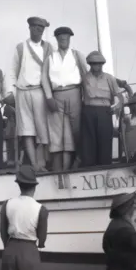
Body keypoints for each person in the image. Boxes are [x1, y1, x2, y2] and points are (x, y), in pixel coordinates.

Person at [5, 16, 54, 172]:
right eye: (35, 27)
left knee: (42, 129)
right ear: (30, 28)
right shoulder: (21, 47)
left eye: (41, 27)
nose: (38, 30)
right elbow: (12, 71)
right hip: (23, 92)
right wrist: (10, 91)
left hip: (40, 91)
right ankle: (33, 165)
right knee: (26, 130)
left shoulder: (48, 48)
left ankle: (42, 163)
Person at [41, 26, 88, 171]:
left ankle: (79, 159)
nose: (64, 40)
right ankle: (58, 166)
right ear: (56, 39)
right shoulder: (50, 58)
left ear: (69, 39)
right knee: (57, 131)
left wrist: (86, 97)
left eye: (66, 38)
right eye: (61, 38)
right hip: (57, 95)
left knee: (76, 129)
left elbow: (85, 75)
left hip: (74, 92)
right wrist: (49, 98)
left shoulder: (76, 55)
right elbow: (44, 79)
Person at [0, 165, 48, 270]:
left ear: (19, 185)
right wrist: (41, 244)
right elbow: (42, 237)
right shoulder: (41, 209)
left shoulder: (7, 204)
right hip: (29, 250)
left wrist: (8, 245)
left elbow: (2, 232)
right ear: (34, 186)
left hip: (10, 249)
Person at [81, 51, 124, 168]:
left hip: (104, 111)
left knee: (105, 141)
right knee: (89, 142)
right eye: (95, 64)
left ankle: (105, 168)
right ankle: (89, 169)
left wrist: (116, 108)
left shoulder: (109, 78)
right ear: (90, 64)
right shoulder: (84, 78)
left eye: (100, 64)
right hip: (88, 111)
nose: (98, 66)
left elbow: (120, 98)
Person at [102, 192, 136, 270]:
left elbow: (106, 247)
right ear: (127, 209)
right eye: (132, 206)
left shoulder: (113, 224)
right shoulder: (125, 228)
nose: (133, 209)